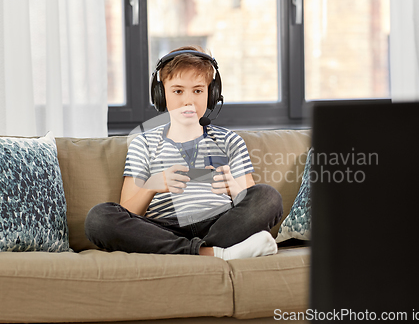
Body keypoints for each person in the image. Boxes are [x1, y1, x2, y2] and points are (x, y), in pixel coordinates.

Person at [85, 46, 283, 260]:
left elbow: (252, 202)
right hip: (162, 229)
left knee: (268, 197)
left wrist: (234, 189)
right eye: (178, 91)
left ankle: (195, 251)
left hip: (219, 223)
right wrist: (152, 186)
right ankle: (214, 253)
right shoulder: (143, 143)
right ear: (161, 95)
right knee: (99, 218)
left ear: (212, 94)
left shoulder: (229, 141)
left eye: (198, 91)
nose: (188, 101)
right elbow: (128, 212)